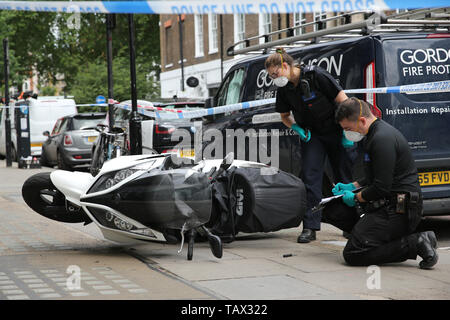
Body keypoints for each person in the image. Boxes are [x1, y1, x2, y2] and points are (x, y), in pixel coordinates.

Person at [329, 97, 438, 269]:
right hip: (392, 204)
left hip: (401, 209)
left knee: (353, 253)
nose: (346, 133)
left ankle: (415, 242)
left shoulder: (381, 139)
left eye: (348, 128)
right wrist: (353, 186)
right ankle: (406, 239)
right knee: (338, 215)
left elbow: (381, 186)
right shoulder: (373, 134)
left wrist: (356, 197)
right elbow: (379, 174)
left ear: (362, 120)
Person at [265, 48, 355, 243]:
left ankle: (352, 224)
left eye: (275, 73)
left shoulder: (316, 76)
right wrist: (296, 128)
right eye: (271, 76)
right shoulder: (284, 89)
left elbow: (344, 101)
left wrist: (346, 131)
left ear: (286, 66)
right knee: (310, 178)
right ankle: (310, 227)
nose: (274, 78)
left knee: (344, 176)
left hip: (335, 130)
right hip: (312, 135)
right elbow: (284, 116)